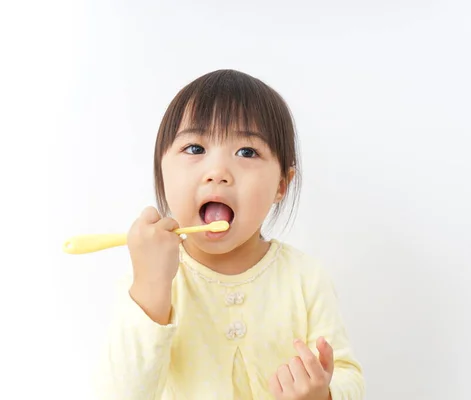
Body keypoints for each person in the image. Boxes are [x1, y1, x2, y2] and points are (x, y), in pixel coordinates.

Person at [95, 69, 364, 399]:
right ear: (162, 171)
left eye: (247, 152)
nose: (217, 173)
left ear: (281, 184)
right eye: (194, 148)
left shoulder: (305, 277)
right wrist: (151, 286)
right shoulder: (147, 283)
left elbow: (347, 374)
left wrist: (323, 393)